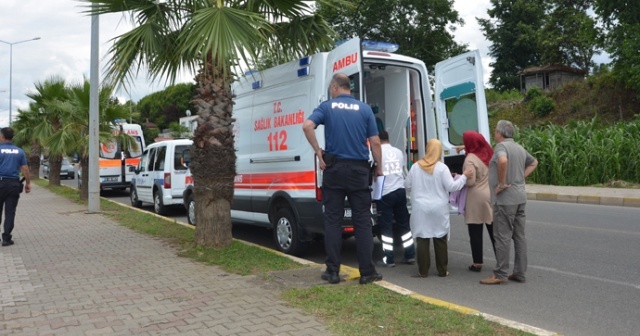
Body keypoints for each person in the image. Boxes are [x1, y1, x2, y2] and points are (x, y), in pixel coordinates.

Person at [303, 73, 384, 285]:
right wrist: (379, 168)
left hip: (335, 170)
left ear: (335, 87)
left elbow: (307, 126)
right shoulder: (365, 109)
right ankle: (367, 272)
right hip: (359, 171)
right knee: (363, 222)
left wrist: (318, 152)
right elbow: (375, 142)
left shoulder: (327, 106)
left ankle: (332, 272)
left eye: (331, 87)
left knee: (333, 221)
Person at [480, 120, 538, 285]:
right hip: (520, 197)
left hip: (506, 200)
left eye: (495, 131)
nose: (494, 133)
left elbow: (503, 161)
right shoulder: (519, 148)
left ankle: (500, 273)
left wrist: (502, 183)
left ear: (499, 132)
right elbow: (534, 162)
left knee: (502, 236)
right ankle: (519, 272)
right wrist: (520, 177)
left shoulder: (501, 147)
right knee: (519, 236)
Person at [405, 139, 472, 277]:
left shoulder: (416, 167)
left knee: (422, 238)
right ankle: (442, 270)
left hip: (420, 208)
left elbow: (407, 185)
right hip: (438, 208)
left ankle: (423, 271)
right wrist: (464, 177)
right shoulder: (442, 168)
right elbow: (452, 187)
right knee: (440, 237)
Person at [374, 130, 415, 268]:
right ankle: (410, 255)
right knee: (404, 225)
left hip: (385, 193)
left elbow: (373, 170)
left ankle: (389, 259)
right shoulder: (398, 152)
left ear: (378, 140)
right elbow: (402, 169)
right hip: (400, 190)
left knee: (386, 227)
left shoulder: (376, 152)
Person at [458, 131, 496, 272]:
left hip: (475, 197)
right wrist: (464, 146)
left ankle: (477, 262)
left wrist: (460, 176)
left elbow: (470, 181)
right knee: (493, 230)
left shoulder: (470, 159)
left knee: (475, 231)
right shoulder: (488, 152)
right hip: (489, 194)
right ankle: (501, 259)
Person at [0, 127, 31, 247]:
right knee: (10, 212)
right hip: (13, 184)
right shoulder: (19, 151)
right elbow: (25, 169)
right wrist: (28, 183)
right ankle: (6, 238)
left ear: (2, 136)